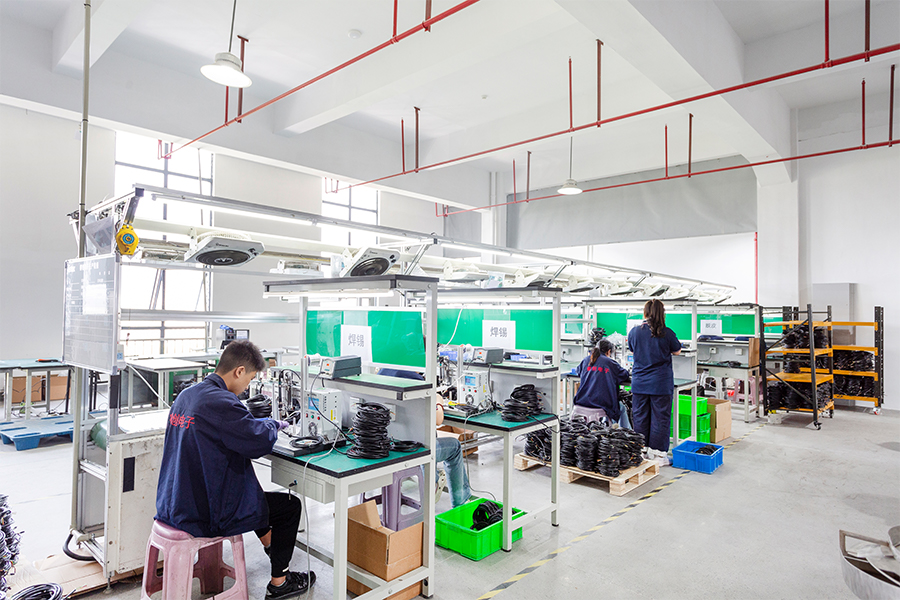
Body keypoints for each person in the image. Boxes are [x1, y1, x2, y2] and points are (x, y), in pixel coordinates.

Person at [156, 340, 315, 599]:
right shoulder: (222, 403)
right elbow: (257, 442)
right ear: (239, 371)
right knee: (289, 507)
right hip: (203, 512)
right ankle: (280, 583)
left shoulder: (188, 395)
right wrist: (272, 425)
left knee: (250, 491)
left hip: (173, 501)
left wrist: (256, 423)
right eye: (250, 379)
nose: (247, 387)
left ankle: (271, 547)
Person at [378, 368, 471, 507]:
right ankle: (458, 502)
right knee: (455, 446)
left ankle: (433, 476)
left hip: (390, 444)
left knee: (427, 435)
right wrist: (438, 401)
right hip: (415, 449)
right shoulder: (416, 380)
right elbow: (438, 420)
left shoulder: (381, 373)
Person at [627, 299, 682, 467]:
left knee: (640, 417)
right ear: (662, 314)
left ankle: (640, 451)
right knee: (660, 418)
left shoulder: (634, 332)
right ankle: (658, 456)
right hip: (660, 383)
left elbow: (632, 350)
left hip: (640, 383)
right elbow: (677, 351)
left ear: (645, 313)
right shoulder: (667, 333)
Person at [571, 339, 632, 428]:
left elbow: (578, 372)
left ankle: (604, 426)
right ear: (609, 351)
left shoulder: (586, 360)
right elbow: (624, 375)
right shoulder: (610, 362)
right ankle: (626, 433)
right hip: (600, 403)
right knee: (621, 407)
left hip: (581, 401)